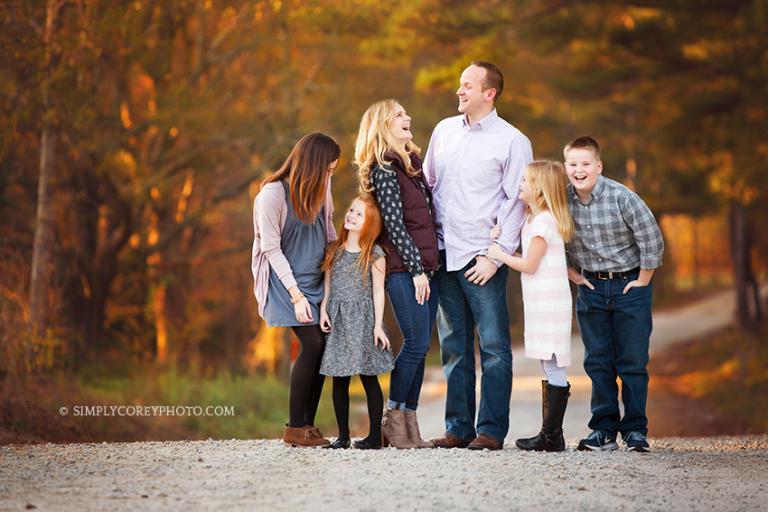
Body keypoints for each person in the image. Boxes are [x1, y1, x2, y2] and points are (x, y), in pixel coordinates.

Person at [423, 61, 533, 450]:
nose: (459, 91)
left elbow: (517, 203)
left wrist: (497, 256)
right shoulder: (443, 131)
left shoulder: (512, 141)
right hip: (443, 256)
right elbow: (428, 188)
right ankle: (458, 429)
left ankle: (490, 431)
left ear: (490, 93)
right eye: (459, 85)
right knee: (453, 348)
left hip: (481, 258)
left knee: (494, 348)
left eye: (467, 85)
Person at [563, 136, 664, 453]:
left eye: (585, 164)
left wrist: (643, 280)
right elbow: (547, 236)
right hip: (591, 288)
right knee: (598, 362)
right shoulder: (562, 200)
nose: (579, 170)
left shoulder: (622, 197)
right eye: (573, 164)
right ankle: (603, 430)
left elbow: (651, 238)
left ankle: (635, 430)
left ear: (598, 166)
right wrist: (572, 273)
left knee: (632, 362)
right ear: (566, 167)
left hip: (629, 285)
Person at [357, 99, 440, 449]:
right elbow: (395, 225)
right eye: (400, 115)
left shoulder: (410, 167)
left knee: (420, 348)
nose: (409, 117)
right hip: (404, 271)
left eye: (408, 112)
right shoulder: (384, 169)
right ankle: (392, 418)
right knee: (416, 343)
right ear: (383, 125)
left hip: (423, 269)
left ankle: (410, 424)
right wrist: (418, 270)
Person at [251, 132, 340, 448]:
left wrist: (338, 265)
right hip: (284, 282)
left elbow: (328, 229)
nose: (331, 175)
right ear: (315, 165)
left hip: (315, 277)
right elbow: (271, 250)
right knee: (313, 344)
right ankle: (295, 428)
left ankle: (308, 427)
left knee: (325, 346)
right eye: (329, 169)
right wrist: (297, 296)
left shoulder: (321, 187)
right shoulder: (272, 195)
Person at [487, 160, 574, 452]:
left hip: (550, 303)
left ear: (538, 189)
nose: (519, 185)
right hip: (541, 302)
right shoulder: (531, 219)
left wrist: (498, 254)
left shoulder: (543, 222)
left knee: (553, 363)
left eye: (524, 181)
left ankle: (551, 436)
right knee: (547, 362)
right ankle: (550, 435)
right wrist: (501, 238)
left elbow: (529, 264)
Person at [318, 195, 394, 450]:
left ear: (370, 224)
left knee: (368, 376)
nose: (351, 215)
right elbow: (328, 286)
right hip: (338, 319)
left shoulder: (375, 254)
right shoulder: (334, 251)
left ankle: (374, 437)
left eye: (359, 214)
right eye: (351, 210)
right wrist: (323, 310)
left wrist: (377, 326)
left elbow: (378, 292)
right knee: (339, 378)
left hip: (364, 321)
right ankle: (342, 435)